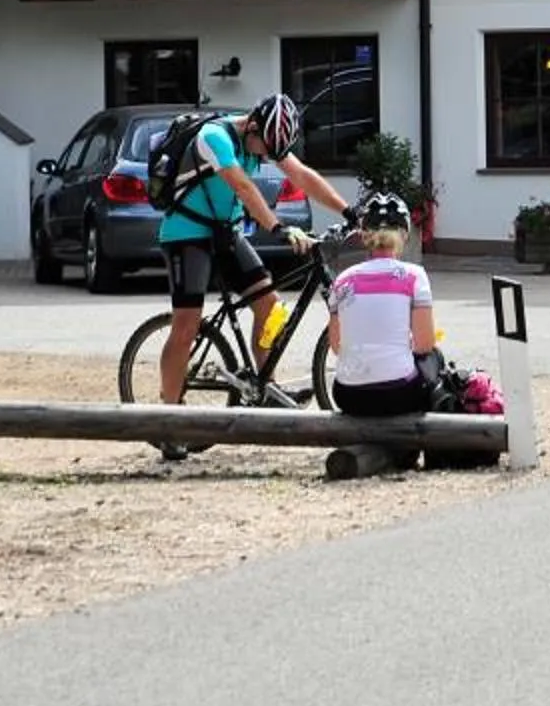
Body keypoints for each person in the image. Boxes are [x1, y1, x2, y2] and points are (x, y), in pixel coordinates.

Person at [154, 91, 354, 452]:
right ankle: (168, 421)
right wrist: (279, 227)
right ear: (252, 126)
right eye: (265, 149)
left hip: (223, 233)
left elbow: (302, 175)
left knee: (269, 306)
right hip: (186, 233)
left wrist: (348, 212)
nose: (265, 157)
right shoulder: (214, 137)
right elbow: (243, 187)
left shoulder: (263, 138)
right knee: (186, 325)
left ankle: (266, 387)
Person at [324, 191, 437, 418]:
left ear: (364, 235)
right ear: (404, 234)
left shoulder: (343, 279)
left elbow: (336, 346)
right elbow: (425, 344)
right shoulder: (414, 276)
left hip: (347, 394)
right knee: (435, 360)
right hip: (398, 392)